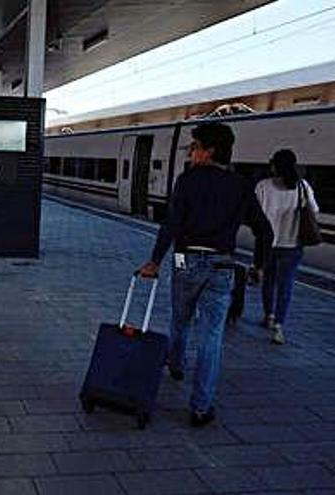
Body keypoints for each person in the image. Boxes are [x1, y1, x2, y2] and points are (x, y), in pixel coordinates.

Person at [138, 122, 272, 428]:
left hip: (185, 258)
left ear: (209, 151)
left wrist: (155, 261)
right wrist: (260, 266)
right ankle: (201, 407)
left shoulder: (188, 181)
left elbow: (171, 224)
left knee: (179, 318)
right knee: (212, 337)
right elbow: (266, 231)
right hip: (223, 264)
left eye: (194, 146)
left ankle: (175, 363)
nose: (191, 152)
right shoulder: (241, 185)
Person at [255, 149, 318, 345]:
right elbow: (314, 210)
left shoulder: (263, 186)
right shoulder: (302, 186)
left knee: (268, 281)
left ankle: (269, 315)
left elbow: (253, 214)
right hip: (293, 245)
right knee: (286, 285)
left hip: (268, 244)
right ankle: (279, 326)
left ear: (274, 165)